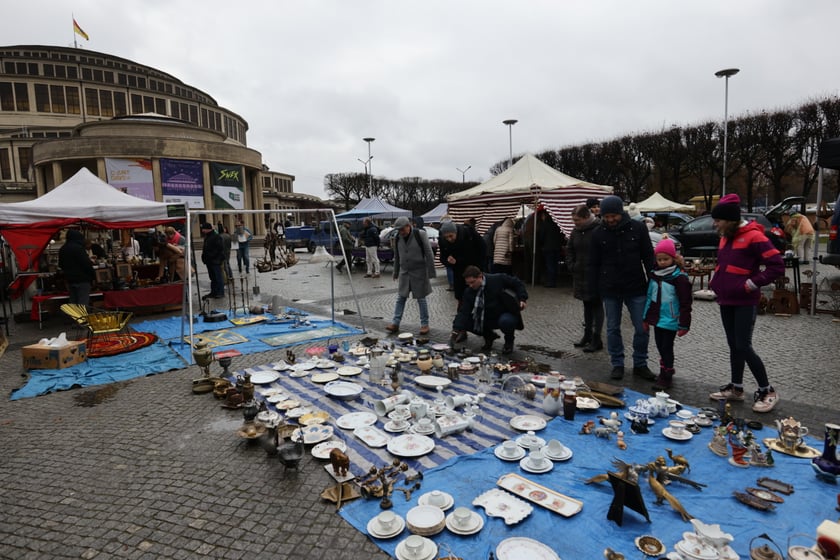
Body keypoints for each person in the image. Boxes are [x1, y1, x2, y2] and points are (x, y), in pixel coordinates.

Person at [708, 194, 784, 413]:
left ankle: (767, 390)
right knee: (734, 346)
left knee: (743, 345)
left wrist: (751, 283)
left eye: (718, 220)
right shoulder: (725, 236)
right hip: (726, 299)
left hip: (744, 300)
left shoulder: (754, 237)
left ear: (730, 220)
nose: (715, 224)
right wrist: (716, 282)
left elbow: (776, 266)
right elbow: (724, 265)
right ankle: (737, 387)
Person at [589, 195, 655, 381]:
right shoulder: (598, 233)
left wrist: (653, 281)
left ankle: (640, 363)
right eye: (606, 216)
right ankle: (617, 363)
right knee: (612, 328)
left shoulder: (639, 228)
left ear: (621, 212)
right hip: (610, 288)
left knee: (642, 328)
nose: (610, 220)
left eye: (613, 216)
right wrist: (594, 288)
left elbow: (648, 257)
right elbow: (593, 263)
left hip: (636, 287)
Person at [643, 238, 693, 390]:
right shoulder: (654, 275)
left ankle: (667, 375)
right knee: (660, 346)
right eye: (659, 259)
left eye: (665, 259)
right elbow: (649, 298)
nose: (662, 262)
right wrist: (645, 318)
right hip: (657, 318)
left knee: (666, 347)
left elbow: (686, 303)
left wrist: (684, 324)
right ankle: (663, 371)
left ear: (673, 258)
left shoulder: (679, 278)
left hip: (671, 318)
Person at [450, 265, 528, 355]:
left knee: (506, 321)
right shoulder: (469, 291)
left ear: (480, 276)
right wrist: (456, 330)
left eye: (472, 282)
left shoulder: (497, 279)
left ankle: (509, 341)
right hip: (486, 317)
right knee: (466, 321)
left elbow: (517, 283)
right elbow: (463, 312)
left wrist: (523, 298)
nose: (471, 286)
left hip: (504, 314)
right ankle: (489, 336)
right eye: (468, 284)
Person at [385, 216, 436, 336]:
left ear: (409, 226)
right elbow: (397, 256)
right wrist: (395, 272)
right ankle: (395, 323)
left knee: (421, 298)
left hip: (419, 271)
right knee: (400, 297)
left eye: (402, 229)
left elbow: (429, 253)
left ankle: (425, 324)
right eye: (399, 230)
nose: (401, 232)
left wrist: (431, 271)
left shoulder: (420, 234)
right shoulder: (398, 237)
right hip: (405, 271)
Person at [567, 204, 603, 352]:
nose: (575, 223)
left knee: (596, 305)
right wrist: (572, 265)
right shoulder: (576, 231)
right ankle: (587, 335)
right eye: (574, 220)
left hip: (595, 275)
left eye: (577, 220)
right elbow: (569, 249)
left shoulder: (598, 229)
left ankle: (596, 338)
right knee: (586, 305)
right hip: (580, 274)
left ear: (586, 217)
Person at [438, 220, 486, 306]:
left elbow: (482, 249)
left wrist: (481, 269)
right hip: (458, 274)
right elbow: (442, 257)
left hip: (474, 270)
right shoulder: (443, 241)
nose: (449, 239)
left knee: (477, 298)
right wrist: (448, 261)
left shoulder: (469, 234)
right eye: (446, 237)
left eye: (451, 236)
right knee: (461, 300)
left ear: (455, 232)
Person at [58, 229, 95, 305]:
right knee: (83, 302)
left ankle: (73, 317)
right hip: (83, 279)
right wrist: (93, 276)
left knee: (73, 301)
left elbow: (60, 264)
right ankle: (82, 317)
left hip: (70, 279)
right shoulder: (79, 248)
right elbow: (86, 264)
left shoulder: (63, 249)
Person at [535, 205, 565, 287]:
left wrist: (541, 243)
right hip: (557, 247)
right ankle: (555, 281)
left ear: (545, 215)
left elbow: (541, 236)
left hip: (548, 247)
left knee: (550, 265)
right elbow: (561, 236)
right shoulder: (557, 224)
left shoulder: (544, 224)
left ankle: (551, 282)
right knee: (555, 265)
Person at [200, 222, 225, 299]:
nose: (202, 230)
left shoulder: (216, 236)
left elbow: (219, 249)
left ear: (207, 229)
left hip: (215, 261)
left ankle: (220, 292)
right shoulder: (207, 236)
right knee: (212, 277)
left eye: (203, 229)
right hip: (209, 261)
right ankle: (214, 292)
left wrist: (212, 256)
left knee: (218, 277)